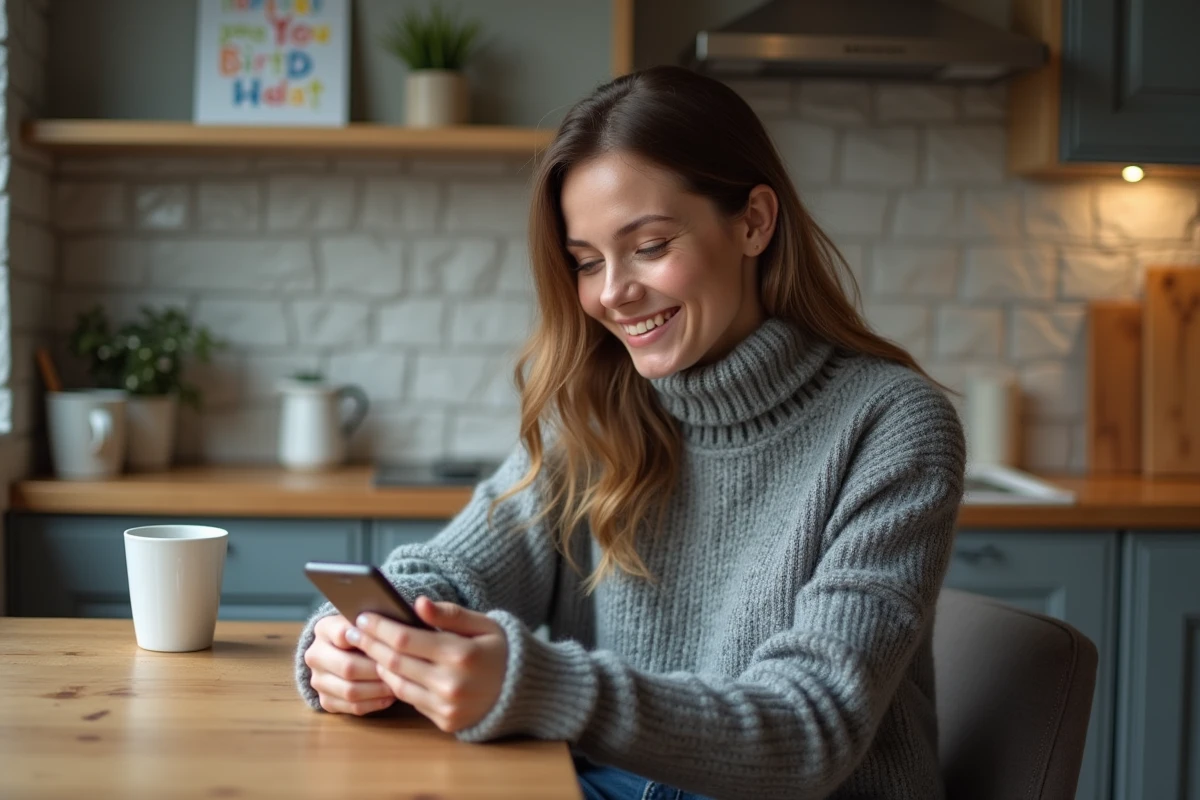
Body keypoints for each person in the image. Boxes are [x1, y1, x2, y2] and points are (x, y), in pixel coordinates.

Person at [295, 64, 966, 800]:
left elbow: (814, 726)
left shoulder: (891, 423)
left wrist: (541, 687)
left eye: (648, 246)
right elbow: (454, 570)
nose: (612, 293)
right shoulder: (597, 406)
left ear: (754, 222)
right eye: (586, 262)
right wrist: (355, 640)